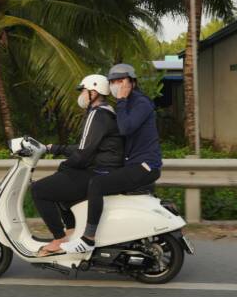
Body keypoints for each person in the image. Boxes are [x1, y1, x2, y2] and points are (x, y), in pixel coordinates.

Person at [60, 63, 162, 255]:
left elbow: (125, 128)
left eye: (121, 80)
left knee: (97, 184)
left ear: (132, 82)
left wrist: (121, 100)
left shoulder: (140, 103)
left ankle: (88, 239)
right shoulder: (126, 104)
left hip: (145, 166)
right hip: (133, 165)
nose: (117, 85)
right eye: (113, 81)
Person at [31, 74, 124, 256]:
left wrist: (65, 164)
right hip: (105, 169)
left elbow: (83, 154)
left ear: (93, 93)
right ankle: (71, 230)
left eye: (83, 91)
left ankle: (58, 239)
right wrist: (55, 148)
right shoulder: (107, 113)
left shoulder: (97, 114)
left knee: (39, 190)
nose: (81, 95)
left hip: (99, 172)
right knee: (62, 178)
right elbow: (87, 146)